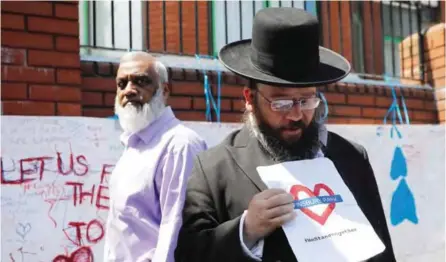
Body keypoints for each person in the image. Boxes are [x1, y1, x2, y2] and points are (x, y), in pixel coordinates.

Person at [175, 8, 396, 262]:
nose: (295, 115)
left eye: (306, 101)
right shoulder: (213, 168)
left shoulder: (352, 157)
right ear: (250, 98)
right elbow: (189, 253)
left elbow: (381, 251)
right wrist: (246, 231)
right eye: (280, 104)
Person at [103, 51, 207, 262]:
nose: (129, 90)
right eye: (121, 84)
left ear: (164, 90)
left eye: (141, 81)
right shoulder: (134, 144)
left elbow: (175, 226)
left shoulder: (179, 145)